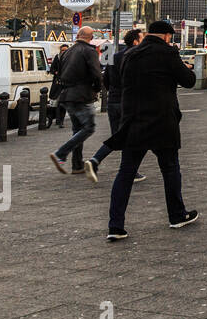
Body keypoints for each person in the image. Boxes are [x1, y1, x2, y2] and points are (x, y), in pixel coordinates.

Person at [106, 20, 199, 241]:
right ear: (166, 36)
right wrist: (182, 65)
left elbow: (118, 83)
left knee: (125, 173)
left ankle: (115, 226)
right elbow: (189, 81)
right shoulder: (168, 53)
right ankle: (177, 215)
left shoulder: (130, 55)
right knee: (170, 169)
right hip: (162, 121)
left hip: (133, 121)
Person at [85, 29, 146, 185]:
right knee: (129, 137)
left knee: (119, 137)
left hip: (113, 101)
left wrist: (112, 93)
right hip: (128, 102)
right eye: (142, 38)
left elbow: (106, 79)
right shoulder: (137, 57)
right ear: (135, 41)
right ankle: (104, 163)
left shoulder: (114, 56)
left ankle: (99, 162)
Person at [48, 28, 103, 174]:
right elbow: (96, 74)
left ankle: (77, 165)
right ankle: (60, 154)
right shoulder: (89, 51)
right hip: (82, 95)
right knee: (89, 127)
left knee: (78, 130)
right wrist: (97, 89)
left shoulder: (67, 52)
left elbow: (60, 72)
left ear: (78, 35)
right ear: (91, 37)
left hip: (66, 95)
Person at [49, 43, 70, 127]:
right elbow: (52, 69)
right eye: (62, 50)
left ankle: (61, 121)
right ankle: (52, 120)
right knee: (55, 103)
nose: (64, 52)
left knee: (63, 103)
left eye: (66, 50)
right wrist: (56, 72)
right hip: (57, 84)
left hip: (66, 84)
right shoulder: (57, 57)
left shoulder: (71, 58)